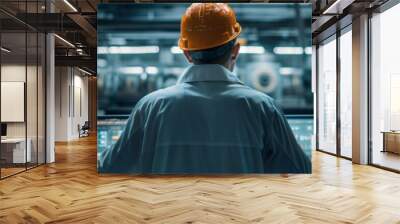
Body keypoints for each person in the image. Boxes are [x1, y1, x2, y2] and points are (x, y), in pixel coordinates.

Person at [99, 3, 311, 174]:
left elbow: (110, 167)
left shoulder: (150, 108)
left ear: (187, 54)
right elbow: (299, 169)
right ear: (235, 50)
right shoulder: (264, 108)